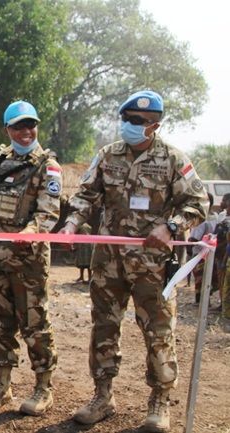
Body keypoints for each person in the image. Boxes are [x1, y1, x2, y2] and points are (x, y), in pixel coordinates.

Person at [60, 90, 208, 432]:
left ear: (154, 126)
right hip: (108, 263)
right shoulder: (107, 155)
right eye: (126, 120)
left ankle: (159, 402)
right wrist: (71, 225)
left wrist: (171, 226)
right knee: (104, 327)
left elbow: (198, 203)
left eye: (138, 122)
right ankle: (102, 396)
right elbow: (85, 195)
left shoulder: (172, 159)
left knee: (157, 331)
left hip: (152, 266)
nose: (129, 126)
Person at [0, 101, 61, 416]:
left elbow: (49, 211)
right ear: (8, 130)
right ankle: (2, 385)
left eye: (30, 125)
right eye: (19, 126)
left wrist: (30, 232)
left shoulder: (47, 166)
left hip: (29, 262)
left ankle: (43, 388)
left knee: (35, 325)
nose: (26, 132)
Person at [215, 193, 230, 318]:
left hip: (224, 255)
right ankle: (223, 307)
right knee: (222, 283)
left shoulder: (226, 222)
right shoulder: (222, 218)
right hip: (221, 254)